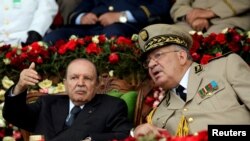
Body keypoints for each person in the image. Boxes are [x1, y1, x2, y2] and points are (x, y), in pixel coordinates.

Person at [132, 23, 250, 137]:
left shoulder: (224, 68)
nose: (151, 64)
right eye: (148, 62)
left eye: (158, 55)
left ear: (181, 56)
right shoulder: (157, 115)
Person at [3, 58, 132, 141]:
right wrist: (20, 86)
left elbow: (125, 135)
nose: (80, 83)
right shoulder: (47, 103)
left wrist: (91, 139)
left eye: (87, 78)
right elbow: (13, 115)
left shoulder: (112, 106)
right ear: (65, 83)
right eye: (74, 78)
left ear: (97, 84)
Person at [43, 0, 172, 44]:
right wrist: (82, 17)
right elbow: (83, 6)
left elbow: (161, 8)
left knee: (112, 34)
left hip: (128, 26)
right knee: (53, 37)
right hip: (92, 26)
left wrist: (122, 16)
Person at [170, 0, 250, 34]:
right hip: (190, 21)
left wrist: (212, 12)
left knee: (214, 44)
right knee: (167, 36)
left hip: (230, 19)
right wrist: (191, 16)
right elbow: (178, 6)